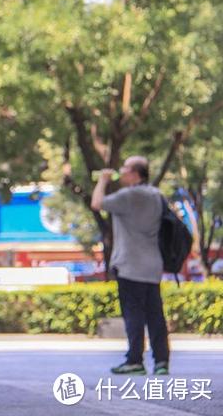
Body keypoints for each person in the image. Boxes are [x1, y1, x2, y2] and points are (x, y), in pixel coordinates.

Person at [91, 155, 170, 375]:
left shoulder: (129, 195)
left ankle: (135, 359)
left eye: (125, 168)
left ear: (135, 173)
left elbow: (96, 203)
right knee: (155, 314)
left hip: (130, 264)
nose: (121, 171)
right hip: (153, 264)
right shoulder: (157, 195)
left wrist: (103, 180)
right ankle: (162, 361)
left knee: (133, 313)